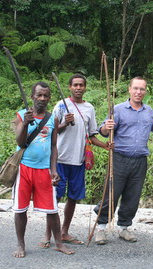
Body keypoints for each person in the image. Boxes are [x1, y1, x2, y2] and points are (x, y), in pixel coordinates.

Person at [39, 74, 111, 249]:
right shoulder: (61, 106)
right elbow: (49, 131)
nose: (78, 88)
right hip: (60, 159)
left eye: (81, 85)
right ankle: (47, 235)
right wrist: (64, 123)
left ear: (85, 87)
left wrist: (106, 146)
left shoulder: (89, 108)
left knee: (73, 197)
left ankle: (64, 232)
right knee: (55, 198)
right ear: (70, 87)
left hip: (78, 160)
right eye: (75, 85)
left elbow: (92, 134)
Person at [94, 76, 153, 244]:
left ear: (145, 91)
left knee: (133, 196)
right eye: (135, 88)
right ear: (129, 89)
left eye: (142, 89)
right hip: (119, 159)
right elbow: (103, 131)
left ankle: (124, 227)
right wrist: (106, 128)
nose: (138, 92)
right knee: (111, 194)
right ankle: (101, 228)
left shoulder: (149, 112)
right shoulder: (118, 109)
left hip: (140, 160)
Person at [12, 81, 73, 258]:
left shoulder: (52, 118)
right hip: (24, 168)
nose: (42, 98)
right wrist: (25, 124)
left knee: (52, 209)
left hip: (44, 170)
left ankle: (59, 243)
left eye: (46, 95)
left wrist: (54, 169)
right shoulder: (22, 115)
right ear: (32, 96)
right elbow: (20, 142)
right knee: (20, 209)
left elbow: (54, 146)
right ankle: (20, 244)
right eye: (39, 95)